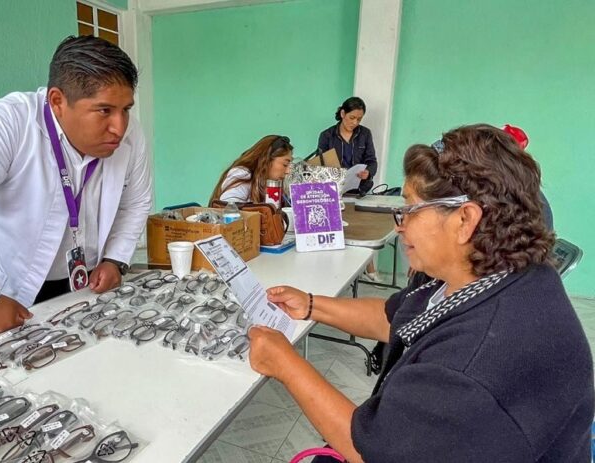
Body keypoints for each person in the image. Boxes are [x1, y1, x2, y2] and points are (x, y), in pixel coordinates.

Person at [249, 124, 593, 462]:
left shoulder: (470, 366)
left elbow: (369, 451)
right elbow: (393, 318)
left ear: (464, 220)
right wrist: (311, 305)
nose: (400, 225)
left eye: (410, 209)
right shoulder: (488, 273)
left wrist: (286, 364)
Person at [0, 36, 152, 336]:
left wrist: (116, 259)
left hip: (81, 287)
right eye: (104, 110)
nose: (120, 127)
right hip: (4, 291)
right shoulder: (5, 123)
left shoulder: (131, 135)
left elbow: (136, 202)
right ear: (57, 101)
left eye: (126, 109)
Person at [317, 97, 377, 195]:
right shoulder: (327, 136)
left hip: (360, 189)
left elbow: (372, 161)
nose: (355, 123)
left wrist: (368, 172)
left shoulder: (365, 134)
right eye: (352, 118)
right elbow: (319, 165)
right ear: (343, 114)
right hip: (333, 190)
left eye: (359, 119)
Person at [209, 135, 293, 204]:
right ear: (267, 160)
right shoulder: (242, 174)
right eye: (285, 164)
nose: (288, 171)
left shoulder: (269, 183)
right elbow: (229, 209)